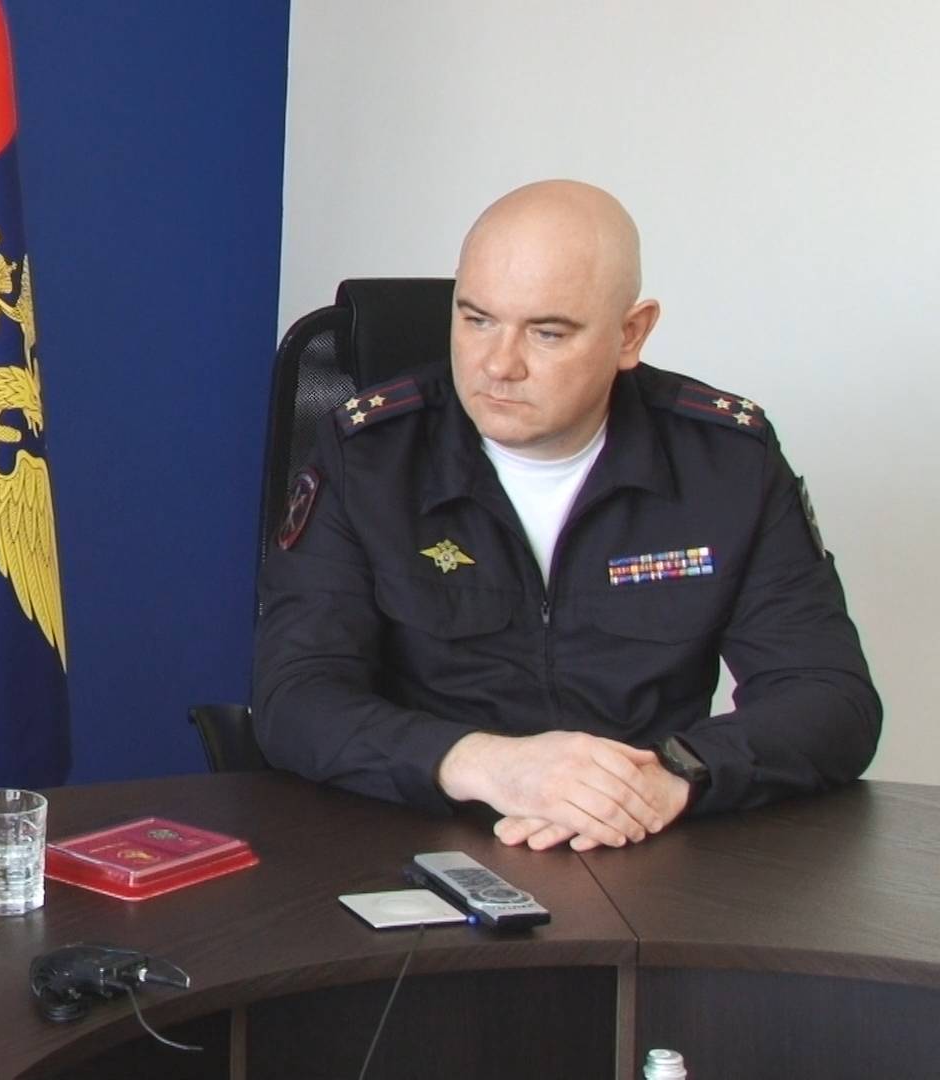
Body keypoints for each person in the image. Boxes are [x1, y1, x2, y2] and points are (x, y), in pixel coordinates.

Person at [252, 180, 880, 854]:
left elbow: (830, 696)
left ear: (630, 334)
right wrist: (486, 764)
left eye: (547, 333)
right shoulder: (370, 455)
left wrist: (676, 774)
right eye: (476, 319)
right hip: (416, 837)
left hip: (640, 842)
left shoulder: (725, 462)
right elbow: (296, 696)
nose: (499, 364)